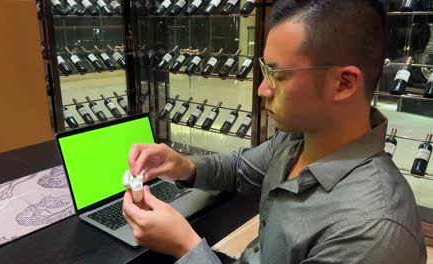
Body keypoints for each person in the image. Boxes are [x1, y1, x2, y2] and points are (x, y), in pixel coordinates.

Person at [122, 0, 428, 263]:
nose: (261, 89)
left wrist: (184, 245)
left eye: (277, 76)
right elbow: (242, 168)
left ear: (343, 84)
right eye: (264, 70)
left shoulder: (371, 234)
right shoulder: (299, 138)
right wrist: (183, 166)